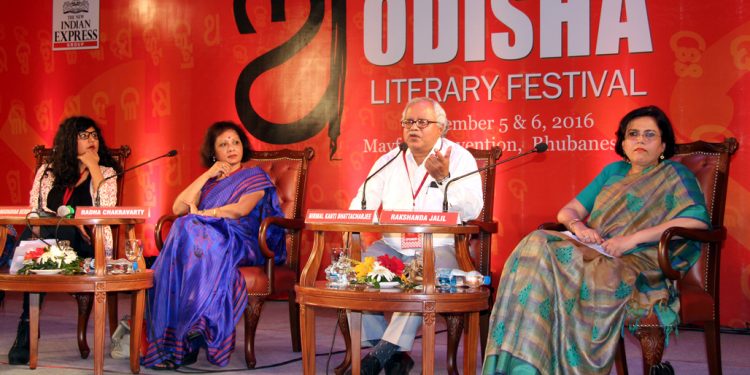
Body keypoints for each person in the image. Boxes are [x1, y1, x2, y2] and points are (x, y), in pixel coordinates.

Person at [482, 105, 710, 375]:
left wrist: (632, 240)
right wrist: (579, 227)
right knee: (537, 243)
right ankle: (522, 365)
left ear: (663, 144)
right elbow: (567, 212)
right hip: (596, 251)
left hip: (636, 262)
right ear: (623, 143)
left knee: (542, 246)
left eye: (649, 134)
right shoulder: (613, 172)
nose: (639, 140)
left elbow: (695, 221)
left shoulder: (675, 175)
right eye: (633, 134)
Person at [348, 97, 483, 374]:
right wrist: (355, 226)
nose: (414, 128)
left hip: (440, 248)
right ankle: (391, 354)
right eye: (409, 122)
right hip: (393, 246)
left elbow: (473, 209)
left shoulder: (459, 158)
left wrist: (445, 179)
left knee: (422, 277)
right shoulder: (389, 160)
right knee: (355, 275)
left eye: (423, 122)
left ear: (442, 127)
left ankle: (379, 356)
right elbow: (361, 203)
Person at [142, 121, 286, 369]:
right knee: (184, 225)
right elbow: (178, 209)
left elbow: (241, 210)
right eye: (223, 144)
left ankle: (194, 331)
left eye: (235, 142)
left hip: (241, 238)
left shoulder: (254, 176)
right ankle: (185, 335)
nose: (231, 148)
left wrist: (207, 213)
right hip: (206, 241)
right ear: (213, 153)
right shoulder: (209, 182)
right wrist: (207, 175)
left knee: (188, 228)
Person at [8, 116, 122, 365]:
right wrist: (71, 217)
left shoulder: (107, 172)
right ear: (70, 140)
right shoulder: (47, 172)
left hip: (88, 245)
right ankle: (27, 324)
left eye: (94, 135)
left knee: (34, 245)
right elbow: (35, 211)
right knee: (38, 235)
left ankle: (25, 322)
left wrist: (93, 167)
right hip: (50, 242)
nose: (92, 140)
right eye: (84, 135)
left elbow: (107, 211)